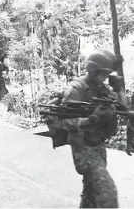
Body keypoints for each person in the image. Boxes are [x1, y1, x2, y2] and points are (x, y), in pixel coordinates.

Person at [48, 51, 127, 208]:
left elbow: (123, 110)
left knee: (91, 191)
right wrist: (89, 120)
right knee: (107, 192)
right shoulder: (75, 90)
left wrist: (119, 90)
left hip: (98, 145)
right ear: (92, 71)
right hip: (82, 147)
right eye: (103, 74)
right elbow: (59, 123)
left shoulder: (101, 88)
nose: (105, 78)